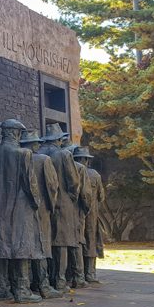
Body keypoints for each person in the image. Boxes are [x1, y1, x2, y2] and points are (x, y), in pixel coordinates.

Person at [0, 120, 43, 303]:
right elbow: (31, 185)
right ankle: (22, 291)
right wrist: (36, 204)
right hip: (20, 208)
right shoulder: (24, 153)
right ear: (16, 133)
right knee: (20, 246)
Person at [19, 130, 63, 299]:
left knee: (25, 245)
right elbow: (52, 186)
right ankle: (43, 285)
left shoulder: (19, 158)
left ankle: (29, 283)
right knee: (41, 246)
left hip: (22, 209)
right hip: (41, 208)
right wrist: (51, 207)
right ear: (35, 144)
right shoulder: (44, 160)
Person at [38, 124, 81, 291]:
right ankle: (60, 281)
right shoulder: (63, 154)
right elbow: (74, 181)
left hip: (42, 204)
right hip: (63, 203)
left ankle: (44, 280)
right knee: (61, 242)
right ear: (59, 139)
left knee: (45, 241)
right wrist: (72, 198)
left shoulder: (37, 154)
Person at [74, 146, 105, 283]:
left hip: (74, 214)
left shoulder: (71, 173)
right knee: (91, 240)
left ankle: (77, 274)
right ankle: (90, 273)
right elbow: (101, 196)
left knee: (77, 241)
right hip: (91, 213)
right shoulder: (94, 175)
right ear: (86, 160)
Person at [68, 151, 93, 288]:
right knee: (77, 241)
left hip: (57, 211)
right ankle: (78, 277)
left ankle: (63, 278)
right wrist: (85, 209)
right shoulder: (79, 168)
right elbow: (86, 194)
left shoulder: (50, 160)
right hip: (75, 211)